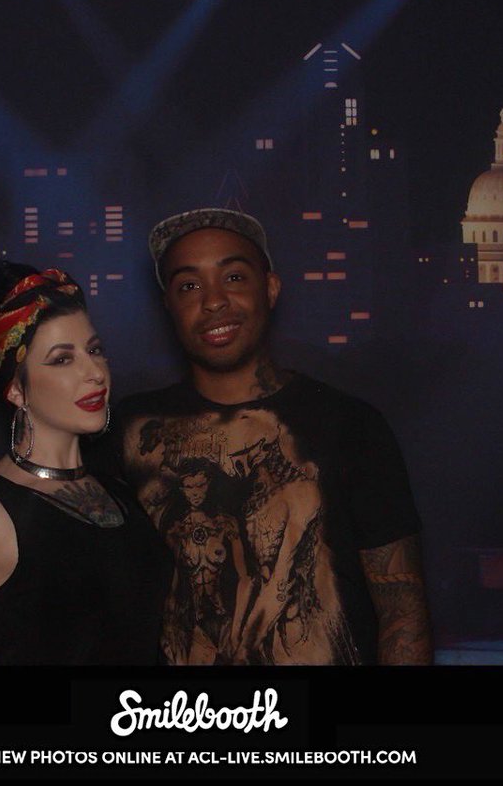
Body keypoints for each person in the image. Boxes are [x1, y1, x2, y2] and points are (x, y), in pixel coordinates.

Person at [100, 208, 433, 665]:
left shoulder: (350, 425)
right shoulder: (132, 431)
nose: (213, 301)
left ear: (271, 288)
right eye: (189, 286)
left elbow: (402, 609)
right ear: (168, 308)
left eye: (234, 277)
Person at [0, 261, 167, 665]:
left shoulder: (119, 490)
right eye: (62, 359)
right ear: (16, 389)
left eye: (94, 350)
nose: (94, 372)